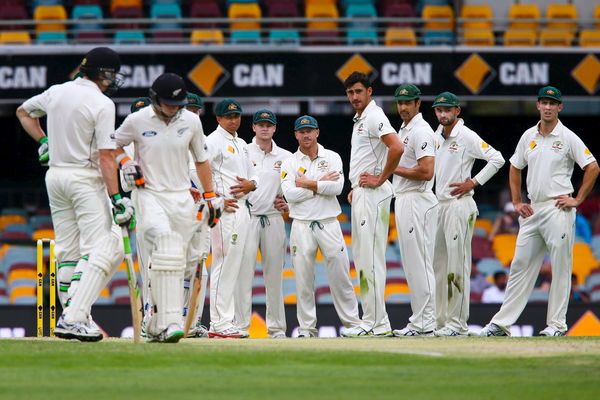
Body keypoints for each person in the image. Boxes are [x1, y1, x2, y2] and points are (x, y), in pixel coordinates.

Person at [16, 47, 134, 341]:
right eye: (112, 74)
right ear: (104, 74)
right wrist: (118, 197)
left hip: (55, 176)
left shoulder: (57, 91)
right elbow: (107, 156)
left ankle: (76, 317)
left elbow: (23, 112)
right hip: (85, 177)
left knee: (68, 252)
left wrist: (44, 141)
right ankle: (74, 317)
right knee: (100, 248)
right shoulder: (102, 103)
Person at [480, 86, 599, 337]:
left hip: (558, 208)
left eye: (552, 103)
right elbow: (514, 166)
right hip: (533, 209)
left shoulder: (567, 137)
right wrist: (516, 201)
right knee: (520, 265)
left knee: (560, 266)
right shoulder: (528, 136)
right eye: (543, 102)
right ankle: (501, 324)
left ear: (559, 108)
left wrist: (577, 198)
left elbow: (592, 167)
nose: (547, 107)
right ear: (538, 106)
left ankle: (556, 325)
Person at [114, 73, 222, 343]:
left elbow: (201, 160)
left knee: (180, 260)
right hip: (148, 194)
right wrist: (126, 163)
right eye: (167, 104)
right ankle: (168, 321)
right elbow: (110, 147)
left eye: (178, 105)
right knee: (166, 246)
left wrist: (210, 196)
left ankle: (155, 324)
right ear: (154, 100)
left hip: (180, 197)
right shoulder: (137, 121)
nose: (173, 110)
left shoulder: (191, 121)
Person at [281, 115, 362, 338]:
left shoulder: (332, 157)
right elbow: (289, 194)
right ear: (296, 134)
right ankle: (307, 329)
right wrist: (319, 183)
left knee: (341, 275)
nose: (306, 134)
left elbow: (336, 187)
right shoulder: (290, 162)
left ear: (317, 132)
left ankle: (353, 324)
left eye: (310, 130)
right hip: (301, 224)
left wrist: (306, 183)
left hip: (329, 223)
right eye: (301, 131)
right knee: (303, 279)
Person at [431, 92, 505, 336]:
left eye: (447, 109)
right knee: (439, 267)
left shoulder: (466, 136)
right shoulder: (436, 136)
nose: (443, 113)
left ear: (457, 111)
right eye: (439, 109)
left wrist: (473, 182)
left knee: (457, 265)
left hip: (459, 205)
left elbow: (497, 159)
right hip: (440, 206)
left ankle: (457, 325)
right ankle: (440, 322)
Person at [340, 72, 403, 338]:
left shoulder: (374, 116)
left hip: (374, 194)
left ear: (369, 91)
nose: (354, 97)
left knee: (371, 259)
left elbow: (396, 147)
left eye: (358, 91)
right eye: (350, 93)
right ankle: (375, 320)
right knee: (364, 258)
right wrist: (357, 187)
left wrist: (380, 178)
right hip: (364, 193)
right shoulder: (361, 119)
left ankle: (377, 321)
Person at [235, 109, 292, 338]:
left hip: (273, 218)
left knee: (274, 276)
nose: (265, 128)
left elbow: (293, 186)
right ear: (254, 128)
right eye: (261, 124)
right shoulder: (243, 151)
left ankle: (277, 329)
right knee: (243, 275)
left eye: (269, 124)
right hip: (248, 218)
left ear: (275, 128)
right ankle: (240, 327)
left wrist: (287, 202)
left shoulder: (286, 156)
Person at [205, 99, 259, 338]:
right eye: (228, 117)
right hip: (225, 210)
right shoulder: (212, 141)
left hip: (243, 209)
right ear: (218, 119)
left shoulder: (242, 143)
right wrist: (215, 198)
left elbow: (252, 175)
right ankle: (218, 323)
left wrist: (252, 184)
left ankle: (225, 320)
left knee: (233, 266)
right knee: (224, 264)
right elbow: (194, 170)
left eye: (237, 116)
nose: (234, 120)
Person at [391, 84, 438, 337]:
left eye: (407, 103)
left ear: (418, 103)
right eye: (400, 103)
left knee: (419, 262)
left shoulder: (421, 130)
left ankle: (425, 324)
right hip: (406, 198)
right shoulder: (405, 129)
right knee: (413, 264)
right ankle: (421, 322)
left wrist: (390, 168)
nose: (403, 107)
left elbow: (427, 171)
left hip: (417, 199)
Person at [183, 92, 211, 338]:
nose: (192, 115)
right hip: (180, 210)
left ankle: (192, 324)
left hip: (202, 210)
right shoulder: (176, 137)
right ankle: (163, 318)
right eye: (188, 110)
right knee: (175, 266)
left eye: (195, 111)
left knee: (200, 266)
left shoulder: (204, 141)